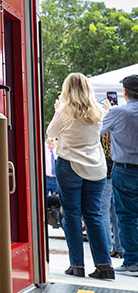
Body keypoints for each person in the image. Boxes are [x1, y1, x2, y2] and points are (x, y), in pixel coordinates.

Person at [46, 73, 114, 279]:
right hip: (95, 168)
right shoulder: (98, 111)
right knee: (93, 215)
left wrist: (58, 111)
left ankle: (77, 265)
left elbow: (51, 133)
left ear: (67, 90)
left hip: (70, 166)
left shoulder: (65, 111)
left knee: (72, 215)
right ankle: (104, 265)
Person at [103, 74, 138, 276]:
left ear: (125, 93)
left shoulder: (117, 112)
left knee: (125, 216)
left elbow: (98, 131)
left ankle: (132, 260)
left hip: (124, 169)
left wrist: (107, 112)